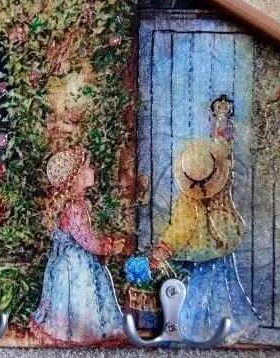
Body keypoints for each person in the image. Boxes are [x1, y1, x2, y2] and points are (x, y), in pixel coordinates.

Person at [151, 95, 261, 344]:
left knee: (202, 290)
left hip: (201, 253)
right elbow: (223, 150)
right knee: (224, 287)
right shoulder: (221, 189)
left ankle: (196, 329)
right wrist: (222, 120)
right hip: (220, 246)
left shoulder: (188, 202)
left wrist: (164, 248)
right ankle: (229, 325)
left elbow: (179, 230)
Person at [31, 147, 134, 347]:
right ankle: (78, 334)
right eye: (88, 167)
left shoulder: (73, 204)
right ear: (76, 176)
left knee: (66, 298)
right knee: (80, 297)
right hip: (76, 267)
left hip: (62, 263)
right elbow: (88, 242)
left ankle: (70, 331)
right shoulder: (75, 208)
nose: (92, 170)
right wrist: (111, 246)